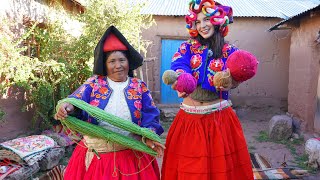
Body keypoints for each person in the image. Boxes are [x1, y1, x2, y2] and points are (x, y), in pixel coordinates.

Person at [54, 26, 165, 180]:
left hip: (131, 155)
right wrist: (67, 107)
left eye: (122, 60)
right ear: (105, 65)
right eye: (112, 61)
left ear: (128, 62)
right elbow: (77, 100)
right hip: (98, 157)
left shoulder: (139, 86)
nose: (118, 65)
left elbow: (150, 114)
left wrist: (150, 135)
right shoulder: (94, 83)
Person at [161, 0, 255, 180]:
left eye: (206, 20)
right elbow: (179, 64)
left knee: (221, 170)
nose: (202, 25)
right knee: (190, 169)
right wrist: (183, 79)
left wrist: (231, 81)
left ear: (218, 21)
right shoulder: (187, 47)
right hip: (189, 120)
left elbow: (236, 73)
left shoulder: (229, 51)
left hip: (219, 120)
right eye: (198, 21)